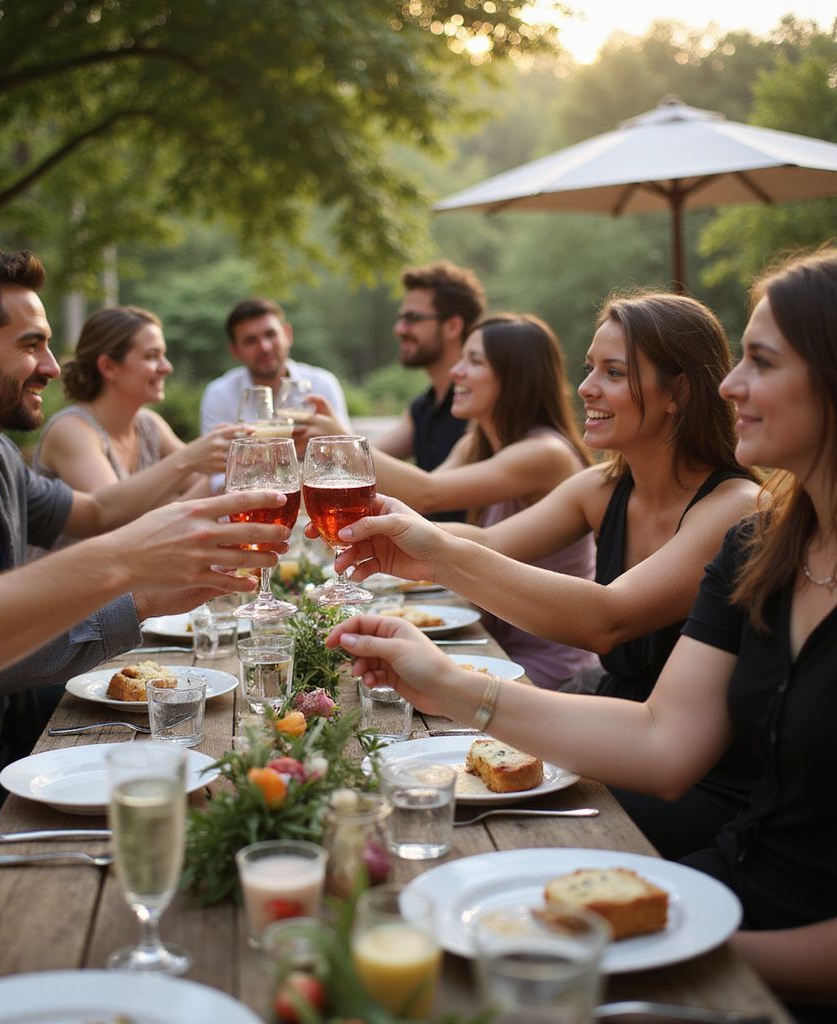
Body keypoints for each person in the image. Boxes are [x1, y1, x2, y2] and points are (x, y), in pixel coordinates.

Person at [326, 247, 837, 1021]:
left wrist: (660, 949)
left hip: (751, 897)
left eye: (760, 361)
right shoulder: (764, 544)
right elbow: (664, 739)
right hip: (727, 861)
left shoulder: (735, 511)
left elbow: (609, 618)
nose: (735, 384)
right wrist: (439, 665)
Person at [0, 236, 288, 1023]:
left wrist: (171, 509)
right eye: (32, 343)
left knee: (197, 845)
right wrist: (130, 583)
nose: (52, 364)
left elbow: (94, 515)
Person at [318, 291, 761, 859]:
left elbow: (608, 619)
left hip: (691, 771)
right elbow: (494, 544)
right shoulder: (602, 487)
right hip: (603, 728)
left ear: (678, 392)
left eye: (614, 372)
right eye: (589, 369)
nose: (586, 388)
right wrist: (408, 534)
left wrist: (437, 555)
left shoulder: (734, 505)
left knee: (484, 834)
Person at [310, 313, 597, 688]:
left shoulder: (546, 453)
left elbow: (428, 492)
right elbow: (414, 499)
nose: (457, 371)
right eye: (461, 358)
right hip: (492, 644)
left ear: (516, 376)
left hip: (547, 664)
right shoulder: (474, 443)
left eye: (474, 361)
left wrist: (341, 439)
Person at [34, 304, 240, 538]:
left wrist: (245, 459)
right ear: (108, 366)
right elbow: (111, 521)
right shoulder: (71, 430)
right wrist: (190, 459)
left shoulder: (149, 425)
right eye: (152, 356)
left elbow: (210, 485)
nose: (167, 367)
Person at [372, 261, 486, 521]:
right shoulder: (423, 406)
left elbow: (426, 494)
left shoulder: (484, 406)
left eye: (412, 318)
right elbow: (370, 462)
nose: (399, 329)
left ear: (452, 327)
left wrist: (340, 441)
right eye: (401, 318)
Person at [199, 297, 350, 436]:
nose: (264, 347)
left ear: (288, 334)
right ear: (235, 351)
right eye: (250, 341)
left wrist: (336, 437)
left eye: (271, 334)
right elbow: (214, 460)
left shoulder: (321, 385)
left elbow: (348, 456)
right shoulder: (219, 394)